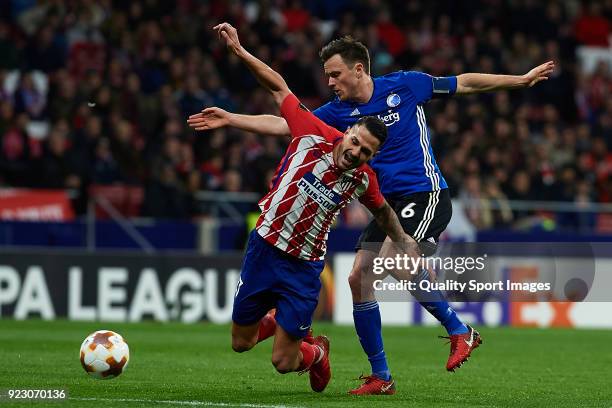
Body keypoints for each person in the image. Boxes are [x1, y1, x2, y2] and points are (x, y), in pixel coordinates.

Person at [189, 34, 555, 394]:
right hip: (385, 204)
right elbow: (288, 124)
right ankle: (382, 377)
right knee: (357, 279)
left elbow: (465, 83)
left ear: (358, 69)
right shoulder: (337, 114)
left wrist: (519, 80)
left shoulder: (406, 85)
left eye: (335, 74)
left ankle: (460, 329)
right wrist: (233, 119)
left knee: (395, 261)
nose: (329, 82)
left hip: (424, 193)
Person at [198, 23, 421, 393]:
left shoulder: (364, 178)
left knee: (283, 363)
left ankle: (316, 354)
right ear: (347, 133)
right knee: (241, 343)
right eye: (355, 143)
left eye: (365, 152)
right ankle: (276, 321)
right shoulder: (311, 131)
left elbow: (382, 211)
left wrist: (403, 241)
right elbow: (276, 86)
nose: (355, 153)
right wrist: (239, 51)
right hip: (264, 248)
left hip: (303, 267)